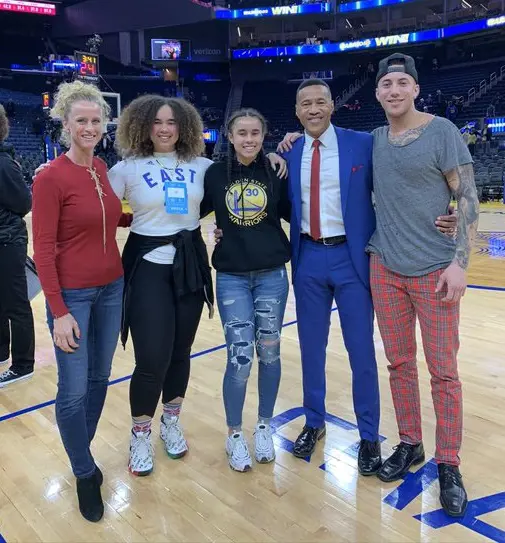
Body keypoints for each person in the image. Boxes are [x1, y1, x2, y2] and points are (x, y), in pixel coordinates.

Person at [275, 79, 457, 475]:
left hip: (353, 258)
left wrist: (452, 209)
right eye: (305, 104)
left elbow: (408, 178)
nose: (314, 109)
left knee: (362, 353)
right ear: (296, 111)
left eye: (321, 101)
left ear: (332, 105)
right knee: (311, 349)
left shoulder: (364, 143)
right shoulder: (288, 152)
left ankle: (370, 437)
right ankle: (314, 421)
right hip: (307, 257)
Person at [369, 53, 478, 517]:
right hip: (385, 269)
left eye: (401, 83)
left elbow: (467, 195)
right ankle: (411, 442)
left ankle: (448, 462)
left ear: (415, 89)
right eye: (386, 84)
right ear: (377, 93)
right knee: (398, 364)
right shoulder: (373, 138)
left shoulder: (442, 132)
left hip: (436, 270)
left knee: (444, 373)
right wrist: (287, 141)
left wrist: (461, 263)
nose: (393, 90)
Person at [32, 81, 128, 523]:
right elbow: (44, 248)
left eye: (96, 120)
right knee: (72, 391)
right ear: (65, 124)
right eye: (81, 121)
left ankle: (80, 456)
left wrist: (148, 213)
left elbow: (109, 216)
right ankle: (85, 471)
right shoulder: (51, 177)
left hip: (112, 288)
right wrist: (59, 311)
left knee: (100, 376)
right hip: (72, 295)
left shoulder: (102, 167)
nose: (90, 127)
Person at [108, 95, 215, 477]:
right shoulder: (126, 169)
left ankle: (171, 421)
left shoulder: (203, 166)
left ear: (184, 126)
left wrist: (278, 155)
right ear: (143, 126)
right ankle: (140, 433)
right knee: (151, 359)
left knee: (180, 353)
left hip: (189, 265)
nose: (165, 129)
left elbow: (240, 185)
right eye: (157, 122)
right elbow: (95, 207)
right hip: (147, 267)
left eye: (172, 122)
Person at [200, 108, 291, 472]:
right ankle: (235, 432)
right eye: (242, 133)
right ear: (231, 135)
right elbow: (192, 212)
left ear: (263, 135)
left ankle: (265, 425)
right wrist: (212, 232)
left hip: (272, 275)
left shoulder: (275, 170)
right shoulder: (213, 174)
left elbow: (291, 213)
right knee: (239, 357)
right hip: (233, 277)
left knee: (269, 352)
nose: (249, 139)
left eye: (255, 133)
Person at [0, 104, 35, 387]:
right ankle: (1, 352)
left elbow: (24, 203)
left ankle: (23, 364)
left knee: (16, 304)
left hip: (8, 241)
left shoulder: (3, 163)